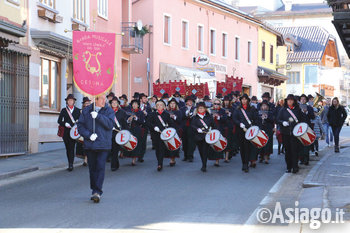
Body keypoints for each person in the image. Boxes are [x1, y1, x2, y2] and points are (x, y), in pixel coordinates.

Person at [77, 94, 115, 203]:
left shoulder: (108, 110)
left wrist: (98, 116)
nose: (104, 101)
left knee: (100, 166)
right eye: (102, 99)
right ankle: (94, 188)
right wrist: (88, 135)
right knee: (92, 168)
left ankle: (97, 191)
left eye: (105, 99)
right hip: (90, 144)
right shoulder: (86, 110)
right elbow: (80, 126)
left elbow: (110, 125)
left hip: (103, 144)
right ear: (96, 99)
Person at [277, 94, 307, 174]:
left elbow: (302, 119)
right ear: (286, 101)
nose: (290, 101)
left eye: (291, 100)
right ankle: (289, 167)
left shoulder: (297, 110)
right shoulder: (283, 110)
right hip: (285, 133)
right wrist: (282, 122)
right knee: (287, 151)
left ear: (294, 101)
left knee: (295, 150)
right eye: (288, 100)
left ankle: (295, 167)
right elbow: (278, 119)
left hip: (295, 133)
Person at [233, 94, 259, 172]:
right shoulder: (237, 109)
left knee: (248, 147)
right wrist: (239, 123)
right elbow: (234, 118)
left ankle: (246, 163)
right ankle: (243, 163)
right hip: (240, 130)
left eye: (245, 99)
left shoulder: (252, 109)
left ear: (248, 100)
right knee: (242, 148)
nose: (244, 101)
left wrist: (254, 127)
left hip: (250, 130)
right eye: (242, 99)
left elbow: (256, 119)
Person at [149, 100, 176, 171]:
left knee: (161, 148)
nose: (159, 106)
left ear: (163, 106)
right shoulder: (152, 114)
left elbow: (171, 123)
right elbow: (149, 123)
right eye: (158, 105)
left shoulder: (166, 114)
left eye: (161, 105)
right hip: (155, 134)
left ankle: (160, 164)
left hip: (164, 134)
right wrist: (154, 127)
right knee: (157, 149)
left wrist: (169, 130)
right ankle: (159, 161)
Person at [57, 94, 81, 171]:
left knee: (72, 147)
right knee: (68, 148)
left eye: (72, 100)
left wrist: (77, 122)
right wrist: (65, 123)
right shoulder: (64, 110)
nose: (70, 101)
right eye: (69, 100)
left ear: (74, 102)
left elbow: (81, 121)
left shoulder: (77, 110)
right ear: (67, 102)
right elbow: (59, 121)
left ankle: (71, 164)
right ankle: (69, 162)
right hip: (66, 132)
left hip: (74, 132)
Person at [191, 102, 216, 172]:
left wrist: (212, 131)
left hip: (207, 136)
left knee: (205, 150)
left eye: (202, 108)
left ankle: (204, 165)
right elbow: (192, 125)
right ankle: (203, 162)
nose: (200, 109)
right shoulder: (195, 117)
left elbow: (214, 125)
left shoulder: (209, 116)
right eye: (199, 108)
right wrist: (197, 129)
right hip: (199, 137)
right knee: (201, 151)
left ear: (205, 109)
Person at [124, 100, 145, 165]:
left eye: (136, 104)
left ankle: (134, 159)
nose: (134, 105)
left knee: (136, 143)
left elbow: (142, 121)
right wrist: (128, 120)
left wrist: (136, 118)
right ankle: (130, 156)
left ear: (138, 105)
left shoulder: (140, 112)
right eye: (133, 104)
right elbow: (125, 120)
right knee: (130, 143)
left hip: (137, 129)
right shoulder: (129, 112)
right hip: (130, 129)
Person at [110, 96, 128, 171]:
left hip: (118, 133)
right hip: (110, 132)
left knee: (115, 149)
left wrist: (124, 131)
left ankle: (114, 165)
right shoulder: (108, 112)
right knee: (111, 149)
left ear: (118, 104)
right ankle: (115, 163)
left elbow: (125, 123)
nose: (114, 104)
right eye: (113, 103)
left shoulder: (122, 112)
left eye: (115, 103)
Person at [209, 98, 227, 166]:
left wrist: (219, 117)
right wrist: (212, 117)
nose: (216, 105)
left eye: (218, 104)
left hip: (219, 129)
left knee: (218, 144)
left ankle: (217, 160)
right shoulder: (210, 110)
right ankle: (212, 157)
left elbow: (225, 119)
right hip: (212, 129)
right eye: (215, 104)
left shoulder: (222, 111)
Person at [165, 98, 183, 166]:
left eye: (173, 104)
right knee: (168, 145)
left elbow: (180, 121)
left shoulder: (178, 112)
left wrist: (174, 117)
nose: (172, 105)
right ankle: (170, 157)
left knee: (174, 144)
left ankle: (173, 159)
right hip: (168, 129)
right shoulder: (166, 111)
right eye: (171, 104)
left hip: (175, 129)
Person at [76, 97, 91, 166]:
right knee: (85, 145)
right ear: (84, 104)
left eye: (88, 103)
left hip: (90, 130)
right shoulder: (81, 111)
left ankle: (89, 158)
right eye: (86, 103)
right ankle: (86, 159)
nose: (87, 104)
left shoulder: (92, 111)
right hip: (84, 130)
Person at [181, 96, 196, 162]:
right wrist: (185, 114)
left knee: (191, 142)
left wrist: (192, 115)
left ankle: (190, 156)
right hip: (184, 127)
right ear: (186, 102)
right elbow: (180, 117)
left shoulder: (195, 109)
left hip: (192, 127)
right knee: (184, 142)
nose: (190, 102)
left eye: (191, 101)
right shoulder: (182, 109)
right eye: (188, 101)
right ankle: (185, 155)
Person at [139, 93, 152, 162]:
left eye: (146, 98)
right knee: (138, 141)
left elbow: (150, 115)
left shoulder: (148, 107)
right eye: (144, 98)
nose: (146, 99)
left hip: (145, 126)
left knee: (143, 141)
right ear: (141, 99)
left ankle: (141, 156)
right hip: (138, 126)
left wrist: (146, 113)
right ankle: (136, 154)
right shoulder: (137, 106)